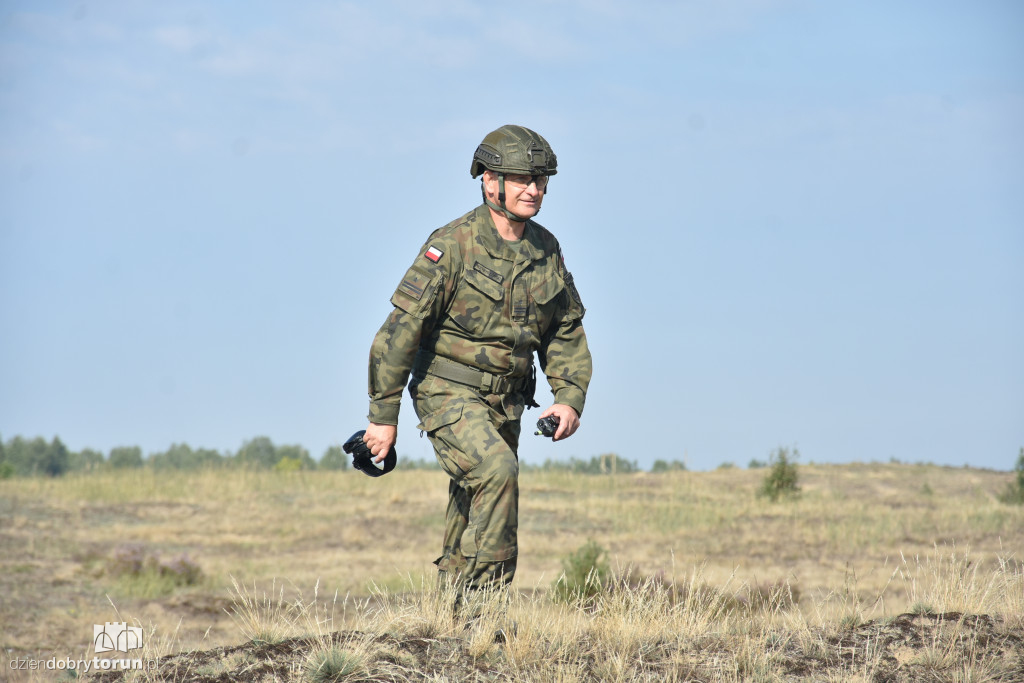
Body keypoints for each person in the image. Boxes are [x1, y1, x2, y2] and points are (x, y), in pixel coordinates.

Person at [361, 124, 592, 601]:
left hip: (506, 400)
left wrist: (568, 398)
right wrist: (382, 418)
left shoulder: (546, 250)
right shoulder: (453, 244)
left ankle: (451, 621)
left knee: (476, 498)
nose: (535, 189)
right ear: (489, 181)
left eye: (542, 180)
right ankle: (485, 614)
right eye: (522, 178)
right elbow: (400, 331)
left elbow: (564, 328)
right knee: (496, 472)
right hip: (445, 389)